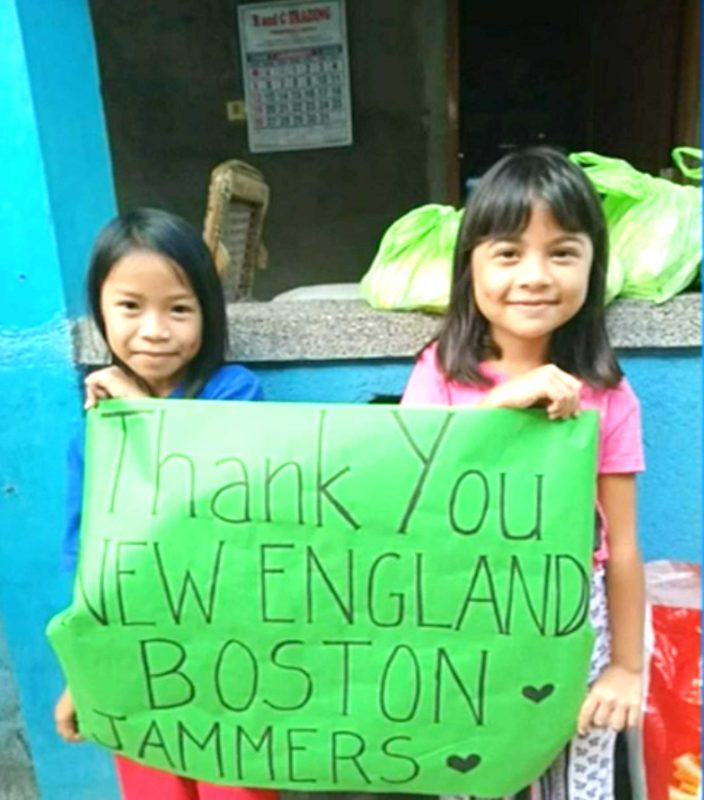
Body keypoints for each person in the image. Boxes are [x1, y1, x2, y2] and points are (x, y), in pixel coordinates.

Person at [402, 147, 644, 800]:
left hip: (576, 630)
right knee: (473, 782)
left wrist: (626, 666)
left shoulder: (608, 393)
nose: (535, 275)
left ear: (593, 267)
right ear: (471, 267)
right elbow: (402, 495)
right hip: (462, 624)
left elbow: (620, 546)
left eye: (562, 252)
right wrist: (497, 407)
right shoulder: (439, 373)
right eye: (508, 253)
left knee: (578, 788)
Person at [53, 208, 278, 800]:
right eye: (130, 306)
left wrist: (137, 413)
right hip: (135, 658)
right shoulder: (90, 429)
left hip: (232, 655)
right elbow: (86, 552)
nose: (154, 329)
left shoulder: (235, 393)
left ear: (208, 313)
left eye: (178, 308)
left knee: (237, 789)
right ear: (100, 311)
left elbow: (206, 494)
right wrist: (84, 671)